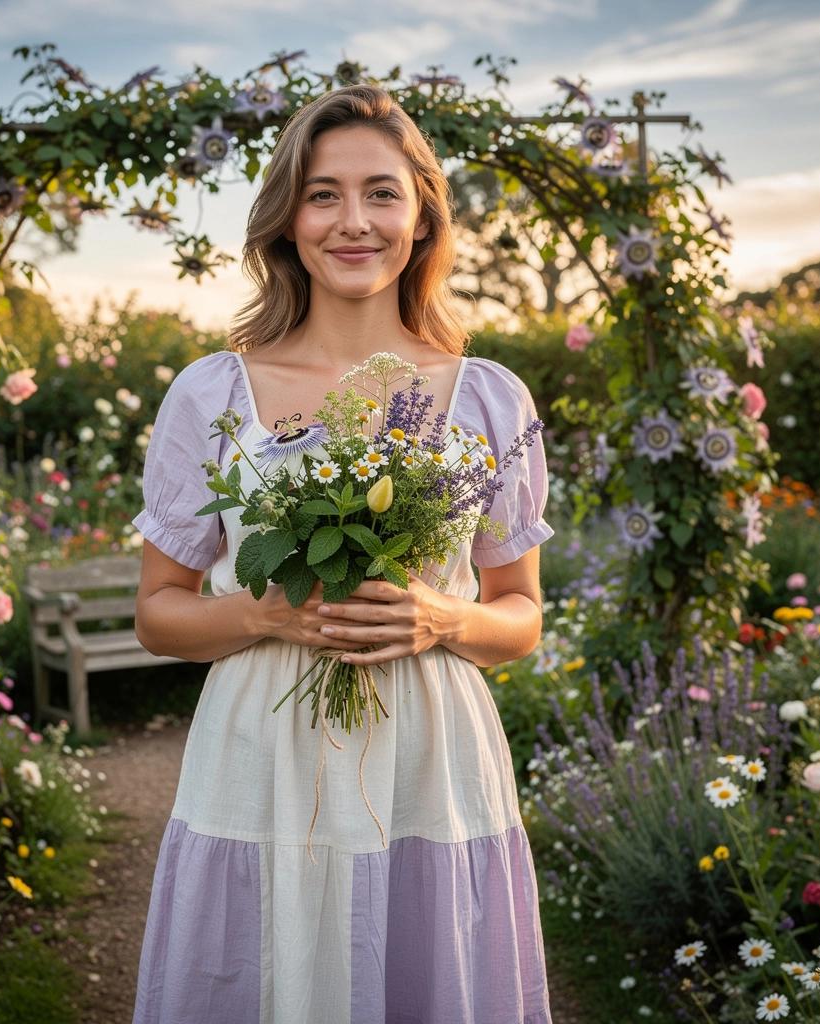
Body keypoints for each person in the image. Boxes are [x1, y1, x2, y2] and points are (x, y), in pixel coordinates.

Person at [130, 83, 555, 1024]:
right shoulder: (214, 394)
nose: (352, 221)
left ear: (422, 217)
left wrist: (442, 618)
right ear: (289, 220)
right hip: (262, 751)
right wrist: (261, 613)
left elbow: (520, 617)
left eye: (381, 193)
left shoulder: (489, 399)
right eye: (323, 195)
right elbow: (158, 612)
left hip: (431, 758)